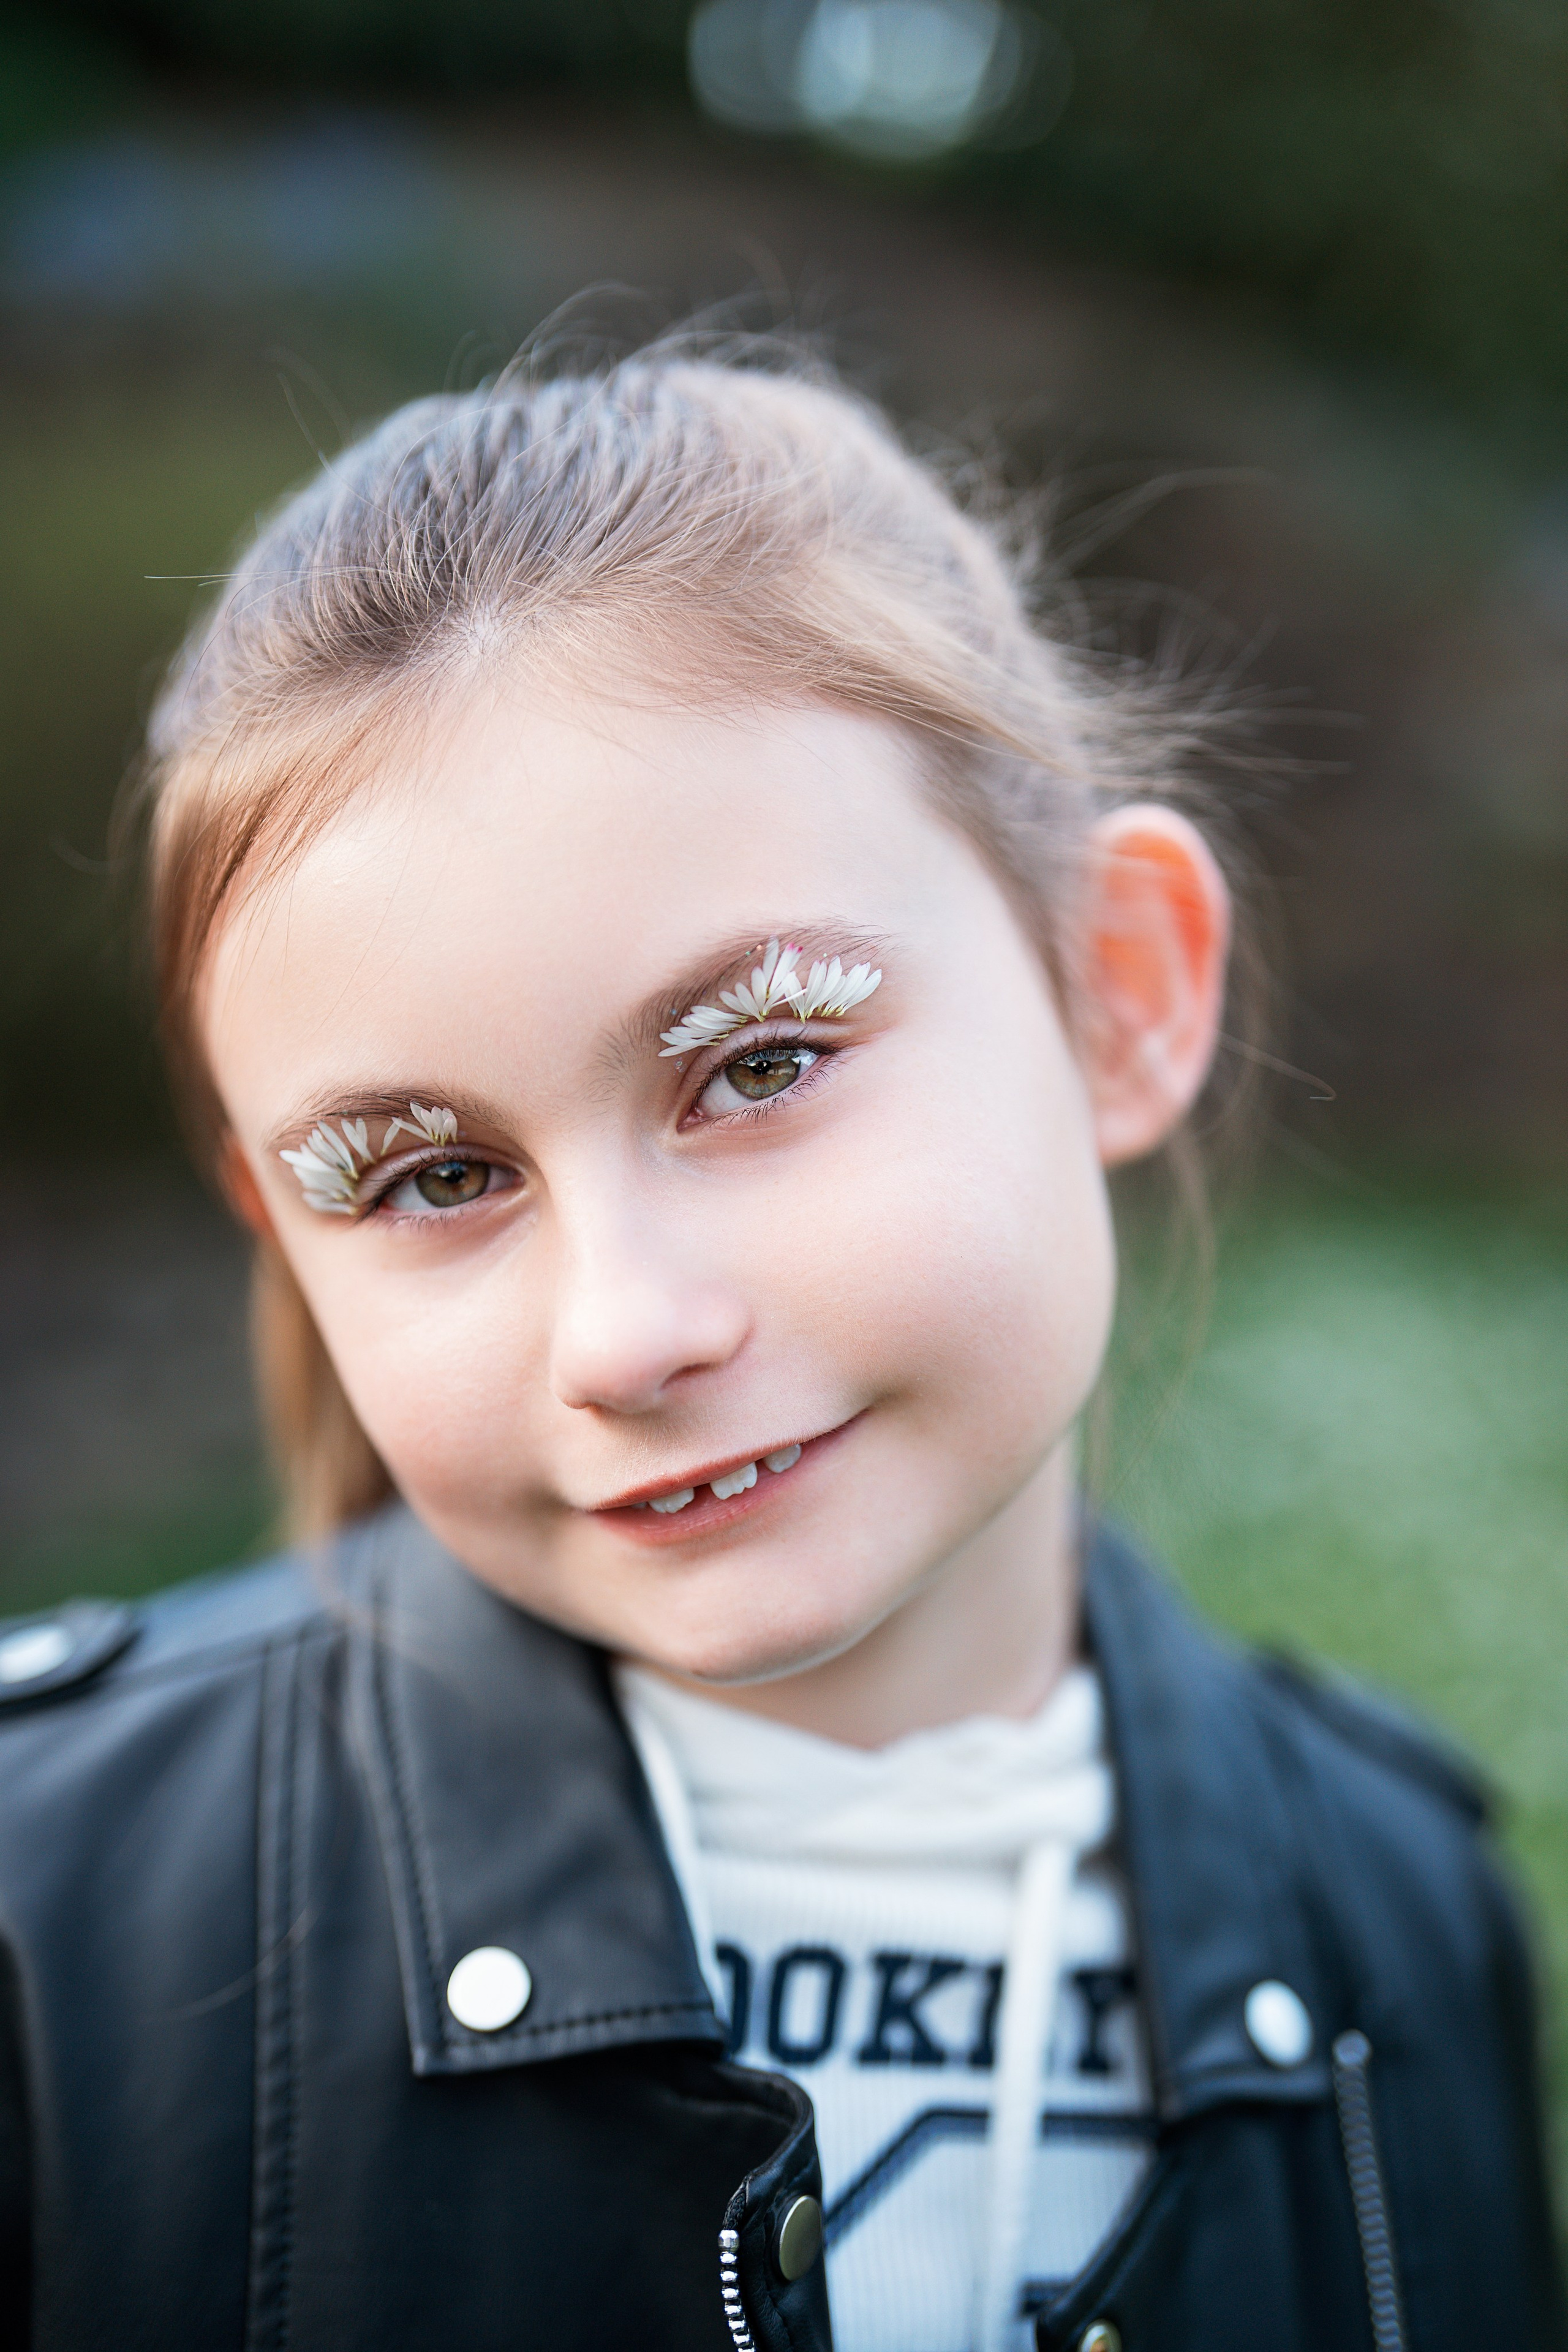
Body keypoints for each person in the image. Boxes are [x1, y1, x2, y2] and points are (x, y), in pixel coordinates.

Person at [0, 344, 1560, 2352]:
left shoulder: (1410, 1914)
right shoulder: (51, 1926)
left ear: (1120, 993)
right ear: (291, 1239)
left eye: (759, 1063)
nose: (629, 1332)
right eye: (425, 1176)